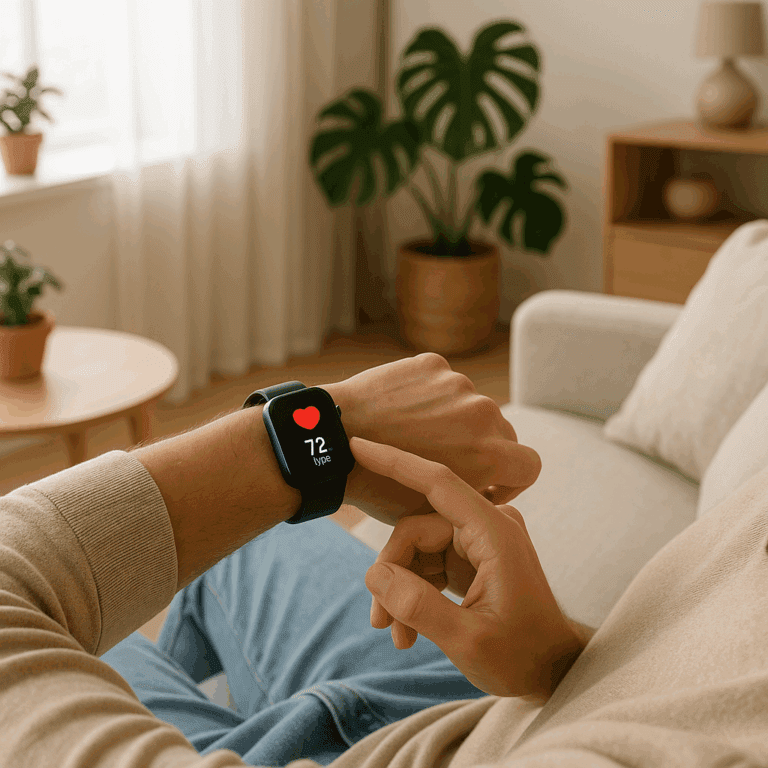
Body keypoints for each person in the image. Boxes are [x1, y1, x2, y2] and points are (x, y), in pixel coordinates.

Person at [1, 352, 767, 767]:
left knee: (91, 645)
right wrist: (557, 661)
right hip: (505, 699)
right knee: (257, 548)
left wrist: (315, 437)